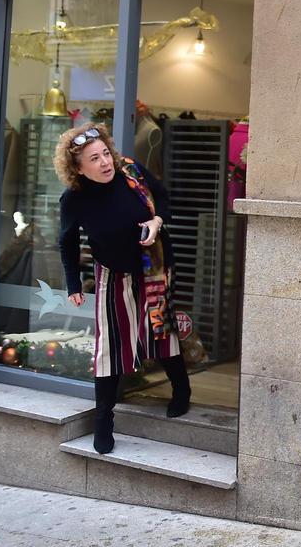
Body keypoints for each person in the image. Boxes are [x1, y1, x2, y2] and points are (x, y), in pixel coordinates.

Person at [55, 123, 192, 455]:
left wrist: (157, 221)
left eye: (105, 154)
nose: (104, 163)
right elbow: (68, 242)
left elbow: (162, 196)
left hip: (152, 264)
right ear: (78, 168)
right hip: (111, 273)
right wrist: (73, 283)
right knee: (110, 346)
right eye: (94, 159)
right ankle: (104, 421)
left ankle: (181, 390)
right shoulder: (74, 199)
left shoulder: (130, 171)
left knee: (160, 329)